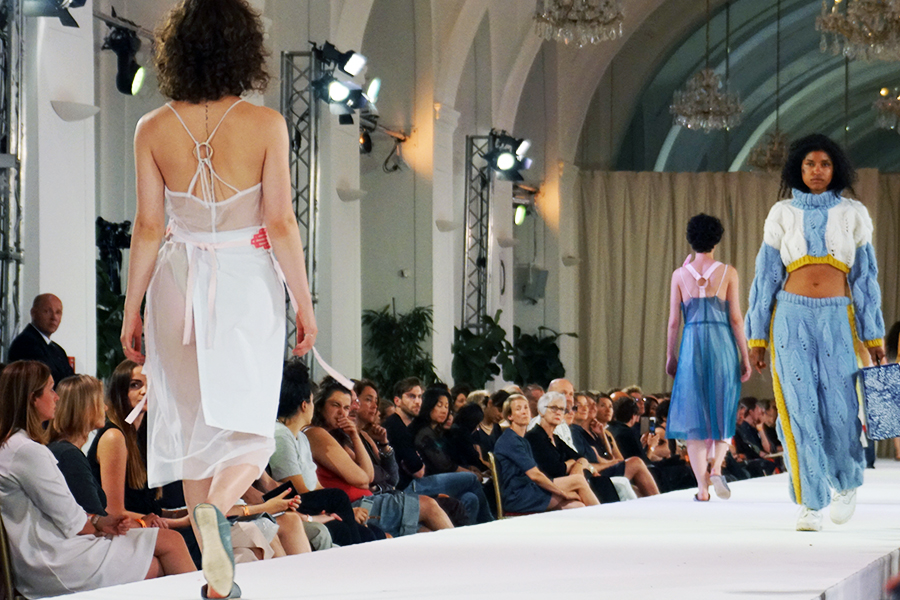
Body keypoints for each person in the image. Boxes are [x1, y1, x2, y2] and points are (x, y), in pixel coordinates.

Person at [121, 1, 317, 596]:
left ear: (176, 51)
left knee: (193, 426)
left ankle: (216, 580)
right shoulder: (265, 124)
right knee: (251, 429)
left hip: (174, 283)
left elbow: (148, 226)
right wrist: (304, 303)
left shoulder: (152, 128)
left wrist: (132, 309)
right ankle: (217, 511)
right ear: (242, 47)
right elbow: (280, 222)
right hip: (244, 281)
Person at [746, 133, 885, 532]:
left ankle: (845, 482)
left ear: (835, 168)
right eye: (809, 164)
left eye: (824, 164)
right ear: (799, 168)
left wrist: (873, 336)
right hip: (790, 316)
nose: (817, 171)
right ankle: (810, 502)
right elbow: (766, 276)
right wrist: (757, 337)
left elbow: (865, 280)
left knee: (840, 409)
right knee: (798, 408)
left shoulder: (853, 212)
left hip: (837, 317)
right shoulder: (782, 213)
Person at [0, 361, 194, 598]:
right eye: (50, 389)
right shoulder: (29, 452)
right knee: (166, 553)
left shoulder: (17, 447)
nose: (56, 397)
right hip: (55, 561)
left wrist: (102, 522)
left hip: (46, 556)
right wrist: (106, 524)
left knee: (169, 545)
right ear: (33, 398)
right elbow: (74, 520)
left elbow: (72, 514)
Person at [665, 213, 751, 502]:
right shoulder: (728, 272)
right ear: (717, 240)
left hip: (692, 346)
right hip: (722, 344)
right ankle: (716, 467)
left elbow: (674, 322)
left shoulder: (679, 275)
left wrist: (670, 355)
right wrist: (745, 356)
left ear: (690, 239)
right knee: (724, 406)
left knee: (695, 417)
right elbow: (736, 319)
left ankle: (702, 489)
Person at [493, 395, 594, 513]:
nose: (524, 412)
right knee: (578, 480)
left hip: (529, 489)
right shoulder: (511, 440)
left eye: (526, 408)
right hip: (518, 496)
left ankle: (599, 520)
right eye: (518, 409)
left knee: (578, 506)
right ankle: (605, 519)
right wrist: (563, 493)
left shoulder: (522, 440)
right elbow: (535, 475)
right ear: (510, 416)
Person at [8, 294, 74, 386]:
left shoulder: (57, 349)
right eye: (47, 311)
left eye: (58, 312)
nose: (54, 317)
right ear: (33, 313)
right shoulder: (26, 344)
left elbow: (70, 379)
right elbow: (46, 382)